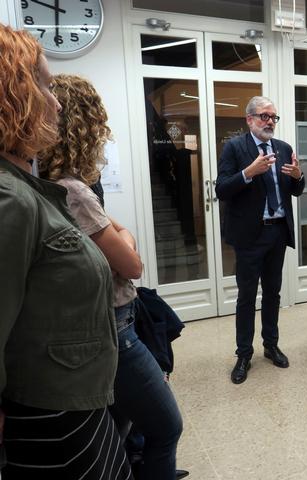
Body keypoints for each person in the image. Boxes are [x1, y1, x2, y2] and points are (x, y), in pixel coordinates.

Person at [0, 25, 130, 478]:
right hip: (49, 415)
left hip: (75, 403)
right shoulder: (10, 198)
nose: (56, 103)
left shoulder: (30, 189)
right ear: (11, 96)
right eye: (45, 86)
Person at [38, 74, 183, 479]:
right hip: (115, 331)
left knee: (117, 431)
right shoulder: (74, 191)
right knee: (166, 426)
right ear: (86, 125)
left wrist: (120, 237)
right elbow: (132, 265)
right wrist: (126, 239)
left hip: (98, 325)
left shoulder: (51, 183)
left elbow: (115, 233)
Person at [215, 96, 305, 384]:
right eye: (264, 116)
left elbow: (296, 190)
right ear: (249, 119)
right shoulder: (234, 147)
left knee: (273, 293)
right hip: (249, 236)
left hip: (277, 232)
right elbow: (221, 189)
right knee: (246, 296)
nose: (269, 122)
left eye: (273, 117)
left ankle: (271, 345)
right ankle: (244, 354)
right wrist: (248, 173)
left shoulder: (283, 148)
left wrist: (299, 176)